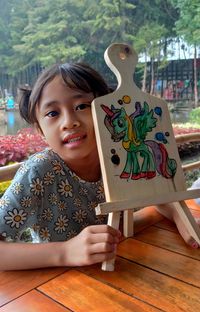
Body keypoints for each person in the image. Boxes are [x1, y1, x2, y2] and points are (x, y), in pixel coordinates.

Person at [0, 63, 199, 271]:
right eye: (52, 113)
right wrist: (65, 252)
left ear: (108, 112)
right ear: (39, 129)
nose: (69, 122)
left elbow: (151, 192)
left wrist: (180, 216)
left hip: (123, 273)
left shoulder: (120, 156)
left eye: (82, 106)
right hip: (57, 289)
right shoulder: (38, 172)